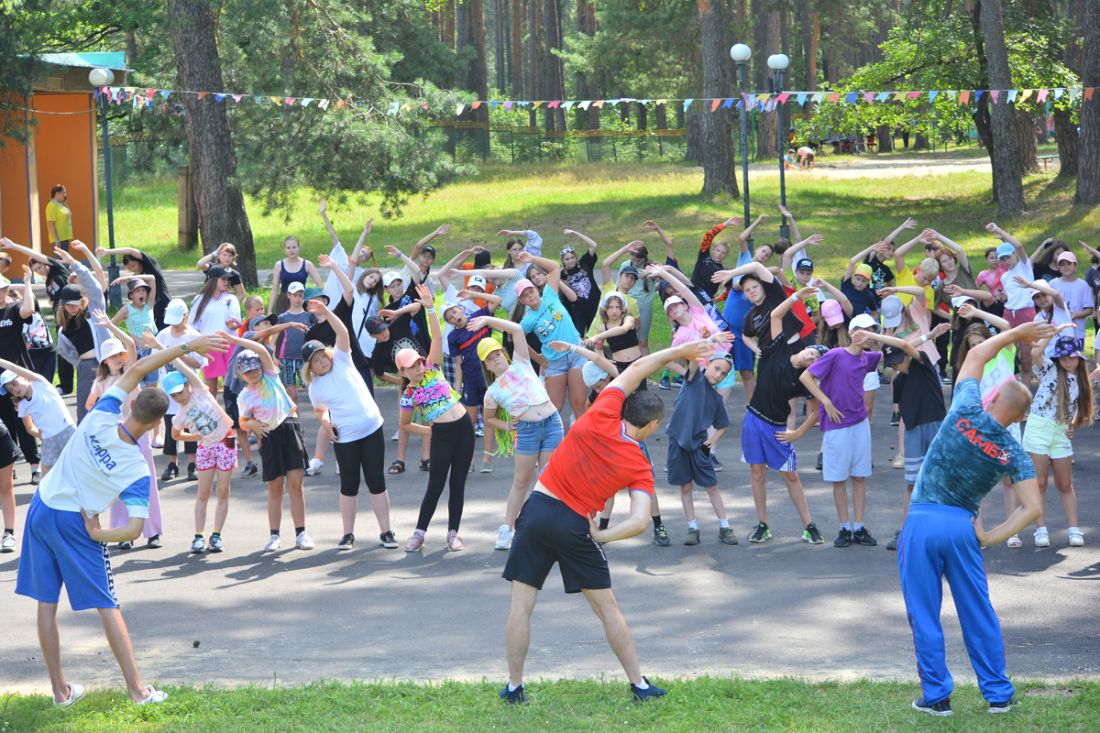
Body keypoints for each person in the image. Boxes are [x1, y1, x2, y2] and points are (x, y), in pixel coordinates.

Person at [14, 331, 226, 707]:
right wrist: (99, 532)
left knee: (46, 604)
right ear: (158, 422)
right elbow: (133, 529)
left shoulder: (101, 413)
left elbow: (142, 366)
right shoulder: (136, 468)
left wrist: (188, 347)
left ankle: (60, 691)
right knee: (106, 604)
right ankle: (137, 691)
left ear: (131, 404)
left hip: (41, 507)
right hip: (75, 522)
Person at [500, 338, 715, 704]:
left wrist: (682, 352)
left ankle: (514, 687)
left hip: (536, 510)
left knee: (521, 606)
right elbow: (639, 521)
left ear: (625, 408)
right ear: (652, 425)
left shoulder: (603, 411)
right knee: (608, 609)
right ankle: (640, 685)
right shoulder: (638, 465)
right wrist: (601, 536)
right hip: (575, 525)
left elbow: (634, 369)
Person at [899, 322, 1047, 717]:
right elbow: (1033, 508)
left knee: (924, 610)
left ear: (993, 395)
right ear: (1017, 419)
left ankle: (936, 697)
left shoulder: (965, 408)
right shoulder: (1012, 452)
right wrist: (990, 536)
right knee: (977, 610)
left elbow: (977, 355)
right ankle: (997, 694)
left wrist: (1016, 334)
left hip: (923, 520)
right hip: (963, 528)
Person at [301, 300, 398, 550]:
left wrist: (325, 313)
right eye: (316, 361)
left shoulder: (343, 360)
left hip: (371, 428)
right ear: (310, 368)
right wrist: (324, 421)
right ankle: (347, 535)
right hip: (345, 438)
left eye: (323, 356)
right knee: (349, 485)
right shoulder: (315, 387)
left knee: (377, 481)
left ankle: (386, 531)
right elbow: (319, 409)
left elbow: (343, 332)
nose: (322, 361)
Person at [469, 316, 563, 551]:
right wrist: (508, 427)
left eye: (497, 354)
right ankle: (506, 529)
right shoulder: (492, 392)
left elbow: (517, 329)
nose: (496, 359)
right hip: (528, 431)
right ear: (486, 366)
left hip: (552, 424)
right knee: (521, 481)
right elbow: (489, 418)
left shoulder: (521, 362)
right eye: (490, 359)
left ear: (504, 353)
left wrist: (487, 321)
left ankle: (547, 527)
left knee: (548, 478)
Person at [741, 288, 827, 545]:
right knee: (757, 473)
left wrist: (798, 432)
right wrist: (796, 296)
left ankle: (808, 525)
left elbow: (818, 410)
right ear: (806, 348)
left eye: (816, 359)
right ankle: (763, 524)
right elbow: (776, 316)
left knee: (791, 476)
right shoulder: (776, 349)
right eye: (812, 351)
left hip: (778, 429)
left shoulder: (806, 381)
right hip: (754, 419)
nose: (811, 356)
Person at [861, 322, 951, 552]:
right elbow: (899, 411)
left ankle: (943, 528)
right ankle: (907, 528)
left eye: (899, 361)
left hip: (934, 424)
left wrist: (873, 335)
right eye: (892, 364)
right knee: (912, 483)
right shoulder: (899, 380)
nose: (897, 367)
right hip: (914, 430)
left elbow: (902, 345)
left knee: (939, 478)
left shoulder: (923, 363)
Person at [398, 284, 475, 552]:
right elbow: (404, 425)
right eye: (412, 366)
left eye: (419, 363)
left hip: (464, 428)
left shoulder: (433, 369)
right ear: (403, 371)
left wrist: (431, 307)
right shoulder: (409, 393)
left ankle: (453, 533)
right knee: (436, 484)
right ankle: (419, 533)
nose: (418, 367)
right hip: (441, 434)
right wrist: (430, 432)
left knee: (458, 483)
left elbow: (437, 338)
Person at [799, 313, 883, 548]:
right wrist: (826, 402)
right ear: (854, 333)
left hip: (859, 423)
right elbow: (806, 376)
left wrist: (930, 335)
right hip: (837, 424)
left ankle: (859, 526)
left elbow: (903, 346)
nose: (869, 336)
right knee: (838, 477)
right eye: (864, 331)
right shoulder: (836, 355)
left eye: (871, 331)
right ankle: (844, 527)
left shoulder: (868, 358)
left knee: (859, 475)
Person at [227, 331, 312, 552]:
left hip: (289, 429)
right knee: (275, 488)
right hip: (269, 437)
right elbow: (243, 422)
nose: (253, 373)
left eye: (255, 368)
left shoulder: (271, 377)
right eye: (247, 371)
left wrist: (237, 341)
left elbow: (262, 351)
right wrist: (252, 424)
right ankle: (274, 536)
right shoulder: (244, 396)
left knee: (296, 486)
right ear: (240, 373)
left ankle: (301, 533)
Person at [1023, 330, 1094, 548]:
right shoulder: (1050, 370)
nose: (1068, 360)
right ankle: (1040, 529)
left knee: (1065, 483)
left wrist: (1072, 425)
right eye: (1064, 357)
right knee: (1040, 483)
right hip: (1038, 428)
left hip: (1060, 432)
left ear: (1079, 357)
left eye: (1072, 356)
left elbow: (1076, 407)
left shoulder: (1082, 379)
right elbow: (1035, 352)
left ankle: (1074, 529)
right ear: (1058, 358)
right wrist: (1054, 331)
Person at [667, 345, 738, 547]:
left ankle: (725, 526)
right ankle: (693, 528)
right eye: (717, 369)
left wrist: (711, 441)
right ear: (707, 365)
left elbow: (723, 425)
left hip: (698, 446)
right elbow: (690, 357)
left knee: (712, 486)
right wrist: (708, 342)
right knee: (685, 486)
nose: (719, 375)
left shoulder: (716, 399)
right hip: (677, 442)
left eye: (724, 373)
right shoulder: (694, 378)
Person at [162, 362, 236, 554]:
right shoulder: (179, 415)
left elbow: (182, 365)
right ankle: (199, 536)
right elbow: (175, 435)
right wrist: (195, 437)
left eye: (180, 391)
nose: (178, 397)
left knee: (222, 491)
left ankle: (217, 535)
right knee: (203, 493)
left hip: (225, 442)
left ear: (188, 385)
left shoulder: (200, 391)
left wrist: (163, 349)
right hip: (205, 448)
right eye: (173, 395)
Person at [513, 251, 589, 420]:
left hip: (576, 352)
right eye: (524, 296)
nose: (529, 296)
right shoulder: (527, 320)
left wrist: (531, 259)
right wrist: (538, 358)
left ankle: (583, 443)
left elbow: (554, 267)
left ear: (535, 289)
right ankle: (553, 444)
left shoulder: (549, 294)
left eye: (530, 291)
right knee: (554, 408)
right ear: (522, 301)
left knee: (579, 402)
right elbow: (516, 340)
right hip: (555, 361)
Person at [0, 357, 75, 481]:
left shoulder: (41, 384)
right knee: (47, 480)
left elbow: (13, 367)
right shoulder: (22, 405)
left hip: (68, 431)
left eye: (15, 383)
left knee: (79, 467)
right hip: (48, 440)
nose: (15, 389)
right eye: (11, 390)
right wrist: (41, 434)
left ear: (24, 377)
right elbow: (29, 428)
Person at [154, 299, 204, 482]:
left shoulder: (193, 335)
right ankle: (172, 463)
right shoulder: (163, 335)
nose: (174, 325)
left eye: (178, 320)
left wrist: (180, 353)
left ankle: (192, 464)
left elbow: (199, 362)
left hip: (189, 390)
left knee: (191, 425)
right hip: (169, 390)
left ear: (186, 316)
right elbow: (156, 359)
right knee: (170, 427)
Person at [990, 222, 1037, 379]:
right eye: (1002, 259)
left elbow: (1019, 246)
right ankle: (1009, 387)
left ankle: (1026, 395)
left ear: (1014, 255)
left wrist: (999, 230)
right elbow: (1009, 297)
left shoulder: (1024, 266)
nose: (1006, 261)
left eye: (1008, 257)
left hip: (1026, 313)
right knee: (1008, 353)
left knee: (1026, 358)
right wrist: (1002, 297)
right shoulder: (1004, 276)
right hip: (1009, 313)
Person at [188, 266, 242, 395]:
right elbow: (193, 327)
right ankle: (213, 414)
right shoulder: (199, 299)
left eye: (227, 279)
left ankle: (233, 413)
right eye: (223, 279)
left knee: (231, 385)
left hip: (228, 344)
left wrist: (232, 325)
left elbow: (236, 322)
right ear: (212, 279)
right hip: (209, 345)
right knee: (210, 386)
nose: (226, 282)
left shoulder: (231, 298)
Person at [93, 245, 171, 330]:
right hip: (152, 310)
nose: (132, 269)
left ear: (139, 261)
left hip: (164, 305)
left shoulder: (151, 266)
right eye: (129, 268)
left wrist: (107, 252)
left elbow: (130, 251)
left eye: (133, 265)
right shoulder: (135, 278)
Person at [558, 229, 601, 334]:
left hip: (595, 305)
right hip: (579, 311)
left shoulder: (584, 263)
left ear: (576, 257)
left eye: (572, 257)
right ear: (562, 261)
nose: (570, 260)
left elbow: (594, 245)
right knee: (578, 337)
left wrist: (576, 233)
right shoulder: (561, 275)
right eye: (567, 259)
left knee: (597, 337)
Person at [269, 235, 323, 314]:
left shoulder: (307, 264)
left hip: (301, 300)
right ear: (284, 250)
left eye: (294, 247)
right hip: (284, 301)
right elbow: (274, 290)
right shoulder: (279, 265)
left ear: (299, 248)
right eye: (288, 248)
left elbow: (320, 286)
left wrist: (310, 296)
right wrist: (269, 310)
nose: (291, 250)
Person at [44, 184, 73, 252]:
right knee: (61, 261)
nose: (65, 195)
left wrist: (65, 204)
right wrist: (56, 240)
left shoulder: (61, 205)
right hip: (59, 239)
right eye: (63, 193)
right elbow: (50, 224)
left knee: (65, 260)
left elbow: (69, 215)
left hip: (65, 237)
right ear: (57, 194)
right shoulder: (51, 206)